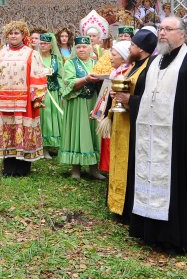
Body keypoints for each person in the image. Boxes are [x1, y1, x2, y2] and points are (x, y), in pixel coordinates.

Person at [126, 16, 187, 253]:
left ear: (182, 35)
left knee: (176, 188)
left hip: (178, 142)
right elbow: (146, 98)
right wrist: (132, 103)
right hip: (151, 138)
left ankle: (175, 238)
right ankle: (151, 233)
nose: (163, 33)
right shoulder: (154, 62)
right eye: (160, 28)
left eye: (168, 29)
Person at [0, 21, 47, 176]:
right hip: (3, 101)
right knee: (7, 133)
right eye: (10, 33)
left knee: (21, 132)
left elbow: (38, 75)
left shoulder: (31, 53)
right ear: (6, 36)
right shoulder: (0, 54)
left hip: (24, 101)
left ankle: (22, 168)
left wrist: (37, 97)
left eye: (16, 33)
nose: (13, 36)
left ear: (23, 35)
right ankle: (8, 167)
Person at [106, 28, 156, 216]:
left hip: (135, 127)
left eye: (133, 45)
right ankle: (116, 204)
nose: (130, 48)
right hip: (122, 123)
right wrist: (116, 95)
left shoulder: (150, 68)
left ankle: (127, 208)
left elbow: (151, 99)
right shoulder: (133, 64)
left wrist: (129, 100)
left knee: (131, 165)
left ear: (141, 49)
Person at [59, 36, 104, 180]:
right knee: (77, 132)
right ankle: (75, 169)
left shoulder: (96, 63)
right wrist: (86, 79)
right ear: (75, 49)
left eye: (84, 46)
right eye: (78, 47)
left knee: (93, 133)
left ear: (90, 47)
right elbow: (69, 82)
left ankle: (94, 168)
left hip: (93, 102)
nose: (82, 49)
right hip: (77, 103)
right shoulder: (70, 64)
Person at [38, 33, 63, 156]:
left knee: (55, 117)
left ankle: (55, 142)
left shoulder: (56, 58)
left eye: (46, 43)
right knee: (45, 118)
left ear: (51, 45)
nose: (43, 45)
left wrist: (62, 91)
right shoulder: (36, 57)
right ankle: (44, 147)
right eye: (41, 43)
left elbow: (61, 76)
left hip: (53, 92)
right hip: (40, 93)